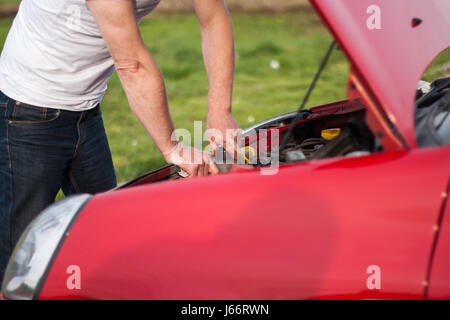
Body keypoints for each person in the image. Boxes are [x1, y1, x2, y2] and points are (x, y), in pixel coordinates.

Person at [0, 0, 240, 281]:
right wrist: (172, 148)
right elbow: (131, 65)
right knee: (21, 259)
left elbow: (214, 19)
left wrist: (220, 111)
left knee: (106, 234)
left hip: (86, 109)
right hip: (27, 109)